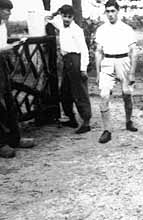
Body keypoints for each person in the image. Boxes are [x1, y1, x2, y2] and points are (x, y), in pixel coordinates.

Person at [0, 0, 35, 158]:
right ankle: (0, 143)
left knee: (9, 101)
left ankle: (14, 139)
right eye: (7, 10)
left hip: (0, 64)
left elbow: (2, 45)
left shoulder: (1, 25)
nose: (9, 13)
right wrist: (16, 45)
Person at [95, 0, 138, 144]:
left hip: (123, 61)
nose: (110, 14)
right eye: (108, 11)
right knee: (104, 94)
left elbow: (133, 51)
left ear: (118, 11)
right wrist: (97, 73)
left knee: (126, 93)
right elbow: (98, 52)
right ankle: (107, 130)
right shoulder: (101, 30)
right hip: (107, 63)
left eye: (113, 11)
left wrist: (132, 72)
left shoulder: (126, 29)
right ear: (105, 12)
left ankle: (128, 121)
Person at [45, 5, 92, 134]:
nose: (66, 19)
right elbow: (48, 18)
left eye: (69, 17)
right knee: (65, 91)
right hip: (66, 61)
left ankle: (86, 121)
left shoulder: (77, 30)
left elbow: (84, 50)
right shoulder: (61, 25)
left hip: (76, 60)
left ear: (73, 17)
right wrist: (56, 12)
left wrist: (83, 69)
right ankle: (70, 118)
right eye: (64, 16)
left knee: (79, 92)